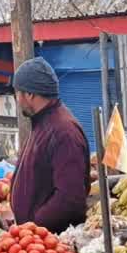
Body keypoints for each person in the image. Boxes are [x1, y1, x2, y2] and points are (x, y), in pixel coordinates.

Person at [7, 57, 89, 232]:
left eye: (18, 94)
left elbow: (70, 198)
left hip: (50, 241)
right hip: (33, 238)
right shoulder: (43, 123)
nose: (17, 100)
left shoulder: (63, 131)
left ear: (29, 94)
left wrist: (34, 225)